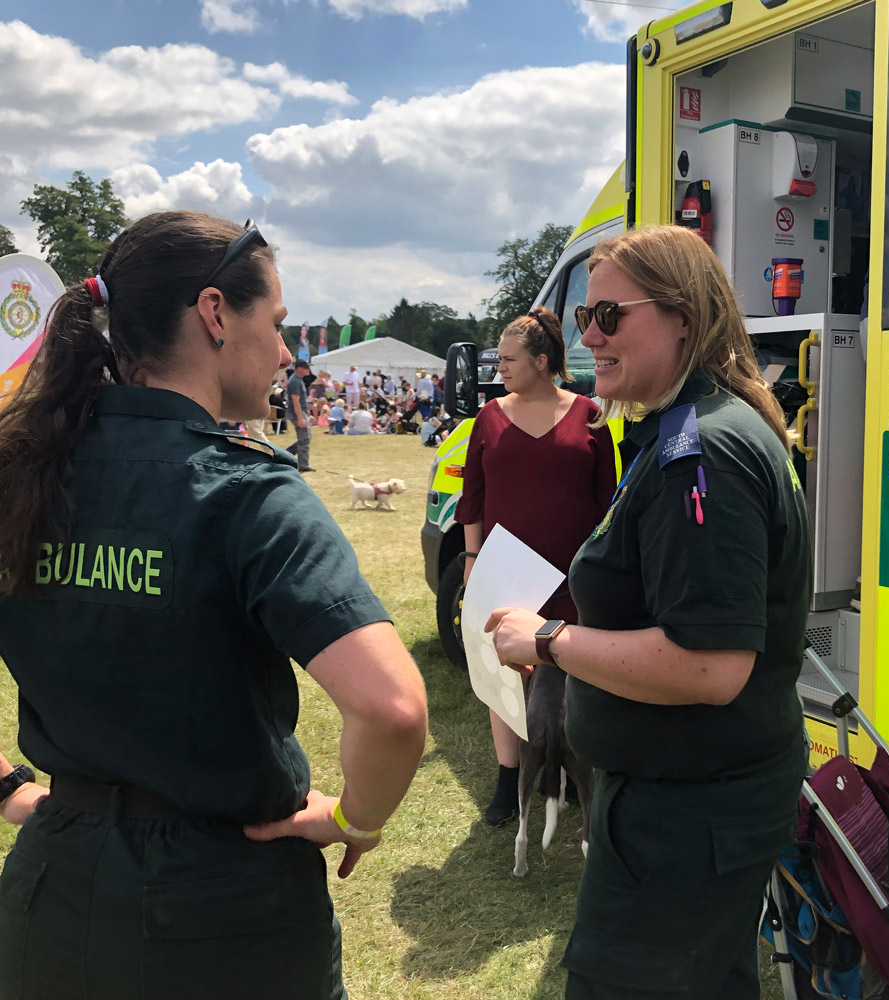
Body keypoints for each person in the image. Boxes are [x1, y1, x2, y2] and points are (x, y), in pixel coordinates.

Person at [0, 211, 428, 1000]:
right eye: (277, 322)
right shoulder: (245, 490)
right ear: (215, 314)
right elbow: (394, 709)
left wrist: (10, 791)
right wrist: (356, 821)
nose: (288, 352)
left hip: (48, 905)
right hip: (226, 915)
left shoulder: (24, 472)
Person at [486, 226, 811, 1000]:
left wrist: (552, 638)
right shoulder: (681, 428)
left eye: (609, 316)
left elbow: (710, 666)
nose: (587, 337)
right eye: (579, 319)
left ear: (684, 319)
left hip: (687, 818)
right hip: (689, 806)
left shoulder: (700, 452)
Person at [455, 306, 617, 826]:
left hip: (573, 574)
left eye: (508, 359)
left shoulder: (591, 414)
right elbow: (472, 497)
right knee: (504, 675)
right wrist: (473, 558)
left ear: (542, 360)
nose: (498, 368)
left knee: (567, 666)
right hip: (505, 569)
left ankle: (564, 771)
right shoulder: (489, 416)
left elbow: (606, 501)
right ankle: (508, 780)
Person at [286, 358, 315, 473]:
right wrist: (300, 418)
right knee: (304, 440)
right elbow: (295, 401)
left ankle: (286, 454)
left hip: (301, 412)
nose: (308, 370)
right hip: (296, 413)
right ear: (300, 369)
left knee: (305, 438)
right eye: (306, 368)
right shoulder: (295, 382)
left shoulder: (298, 380)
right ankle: (303, 465)